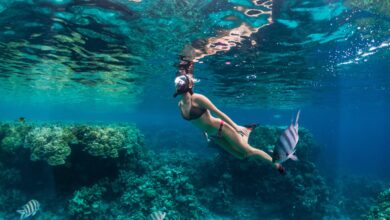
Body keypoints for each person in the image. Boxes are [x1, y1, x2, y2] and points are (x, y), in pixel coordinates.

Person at [174, 56, 285, 174]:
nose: (178, 84)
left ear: (189, 84)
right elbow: (197, 123)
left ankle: (276, 164)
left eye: (181, 81)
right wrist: (205, 135)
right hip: (213, 136)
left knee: (248, 151)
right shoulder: (180, 104)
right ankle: (247, 131)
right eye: (177, 82)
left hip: (222, 128)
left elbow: (218, 112)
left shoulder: (198, 98)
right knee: (240, 156)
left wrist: (235, 126)